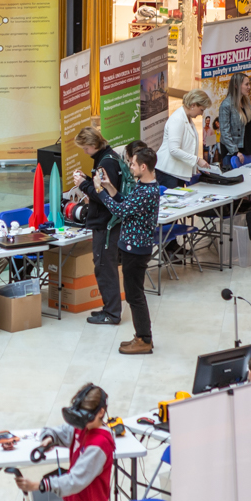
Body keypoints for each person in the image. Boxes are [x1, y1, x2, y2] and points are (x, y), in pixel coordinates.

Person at [93, 146, 162, 355]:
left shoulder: (148, 192)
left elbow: (120, 210)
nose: (130, 167)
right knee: (133, 295)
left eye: (132, 164)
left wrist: (99, 191)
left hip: (137, 250)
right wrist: (108, 186)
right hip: (131, 247)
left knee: (134, 296)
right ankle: (141, 335)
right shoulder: (142, 186)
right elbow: (126, 202)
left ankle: (144, 339)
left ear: (143, 167)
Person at [70, 127, 125, 326]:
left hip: (105, 224)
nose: (85, 152)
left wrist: (82, 185)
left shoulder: (105, 162)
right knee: (105, 267)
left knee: (105, 269)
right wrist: (87, 179)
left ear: (93, 144)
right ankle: (109, 308)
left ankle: (112, 313)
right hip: (109, 223)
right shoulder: (109, 156)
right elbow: (100, 187)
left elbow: (103, 196)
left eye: (85, 148)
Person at [155, 89, 213, 189]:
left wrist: (194, 167)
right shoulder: (177, 119)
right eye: (201, 110)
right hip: (168, 172)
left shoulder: (187, 118)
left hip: (177, 172)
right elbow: (174, 150)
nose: (201, 114)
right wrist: (197, 160)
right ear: (193, 105)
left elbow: (187, 147)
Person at [218, 72, 251, 170]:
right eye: (246, 84)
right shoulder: (226, 105)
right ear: (236, 86)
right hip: (232, 153)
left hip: (247, 150)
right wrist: (235, 151)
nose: (249, 87)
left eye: (249, 84)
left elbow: (250, 127)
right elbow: (225, 133)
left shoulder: (247, 102)